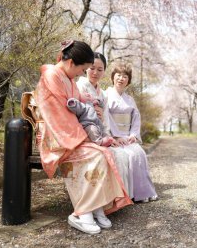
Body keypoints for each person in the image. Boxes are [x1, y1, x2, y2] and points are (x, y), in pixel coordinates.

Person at [34, 40, 132, 235]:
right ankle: (82, 212)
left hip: (70, 133)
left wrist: (91, 103)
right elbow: (57, 116)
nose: (82, 74)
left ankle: (97, 206)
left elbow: (81, 100)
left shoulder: (67, 78)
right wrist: (84, 137)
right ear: (71, 64)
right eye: (83, 69)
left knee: (105, 153)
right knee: (94, 156)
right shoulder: (51, 77)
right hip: (57, 137)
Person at [76, 52, 131, 197]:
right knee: (108, 155)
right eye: (92, 68)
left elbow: (105, 118)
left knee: (121, 154)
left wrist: (109, 136)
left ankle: (114, 198)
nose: (95, 72)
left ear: (104, 72)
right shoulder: (78, 87)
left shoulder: (103, 94)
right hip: (84, 133)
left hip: (100, 133)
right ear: (85, 68)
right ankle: (99, 200)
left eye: (100, 70)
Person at [105, 63, 158, 203]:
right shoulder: (106, 95)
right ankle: (127, 194)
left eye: (125, 76)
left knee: (139, 153)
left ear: (128, 80)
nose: (121, 78)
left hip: (128, 137)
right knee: (126, 156)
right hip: (114, 137)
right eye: (118, 75)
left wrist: (133, 135)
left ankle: (141, 192)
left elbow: (136, 118)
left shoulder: (130, 99)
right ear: (112, 77)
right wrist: (115, 135)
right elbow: (105, 118)